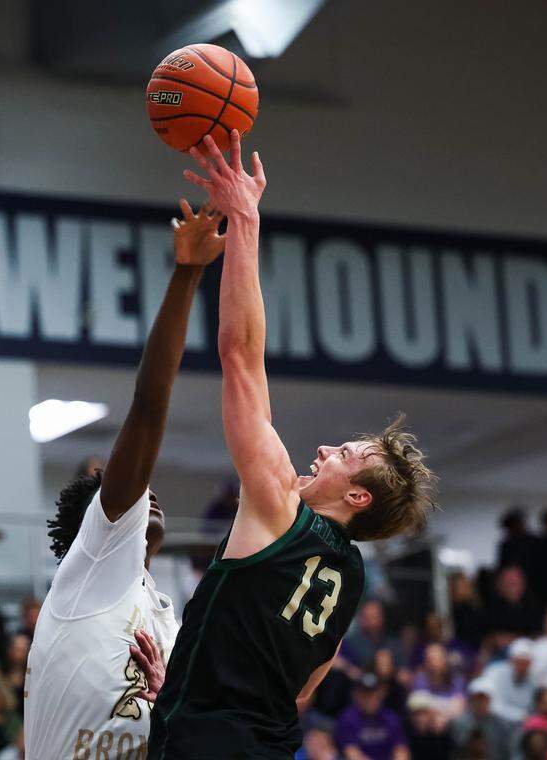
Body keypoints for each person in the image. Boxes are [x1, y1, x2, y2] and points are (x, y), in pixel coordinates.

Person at [150, 131, 436, 757]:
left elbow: (241, 356)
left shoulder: (280, 506)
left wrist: (246, 220)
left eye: (348, 455)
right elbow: (304, 687)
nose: (329, 448)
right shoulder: (351, 575)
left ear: (358, 495)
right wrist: (186, 682)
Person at [24, 197, 225, 759]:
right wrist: (187, 275)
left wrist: (172, 704)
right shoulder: (92, 565)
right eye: (132, 492)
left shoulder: (163, 613)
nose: (148, 494)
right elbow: (148, 407)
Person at [332, 673, 409, 760]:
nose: (370, 698)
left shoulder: (390, 717)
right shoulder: (347, 718)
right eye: (365, 694)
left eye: (373, 694)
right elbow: (351, 753)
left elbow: (401, 750)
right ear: (357, 695)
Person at [481, 638, 537, 728]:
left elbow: (532, 710)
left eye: (526, 663)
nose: (522, 666)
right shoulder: (494, 672)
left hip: (522, 726)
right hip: (496, 721)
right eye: (519, 661)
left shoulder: (534, 680)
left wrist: (525, 718)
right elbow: (491, 705)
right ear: (511, 659)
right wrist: (520, 716)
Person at [451, 678, 512, 760]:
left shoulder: (501, 725)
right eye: (476, 698)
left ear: (489, 700)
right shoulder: (457, 723)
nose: (479, 702)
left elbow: (505, 753)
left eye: (483, 698)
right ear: (471, 700)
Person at [339, 599, 402, 675]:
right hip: (357, 683)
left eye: (374, 616)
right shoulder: (349, 643)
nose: (369, 621)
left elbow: (404, 672)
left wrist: (392, 668)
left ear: (382, 618)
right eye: (366, 617)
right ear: (360, 618)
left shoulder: (393, 644)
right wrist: (348, 668)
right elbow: (338, 661)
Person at [486, 565, 543, 649]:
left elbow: (541, 636)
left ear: (523, 585)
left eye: (515, 584)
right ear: (499, 586)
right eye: (508, 584)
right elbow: (487, 639)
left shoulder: (535, 607)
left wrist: (514, 639)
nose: (511, 588)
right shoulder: (490, 608)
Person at [410, 642, 466, 725]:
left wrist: (440, 714)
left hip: (450, 723)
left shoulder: (456, 679)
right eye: (429, 660)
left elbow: (459, 708)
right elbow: (415, 703)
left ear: (444, 661)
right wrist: (442, 708)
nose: (433, 664)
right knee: (420, 719)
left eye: (436, 660)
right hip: (427, 723)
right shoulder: (420, 679)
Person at [405, 690, 453, 760]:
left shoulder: (442, 735)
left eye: (424, 712)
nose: (420, 718)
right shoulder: (406, 734)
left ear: (432, 713)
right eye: (416, 713)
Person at [1, 632, 30, 716]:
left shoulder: (34, 678)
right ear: (10, 650)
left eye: (24, 650)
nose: (20, 654)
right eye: (17, 649)